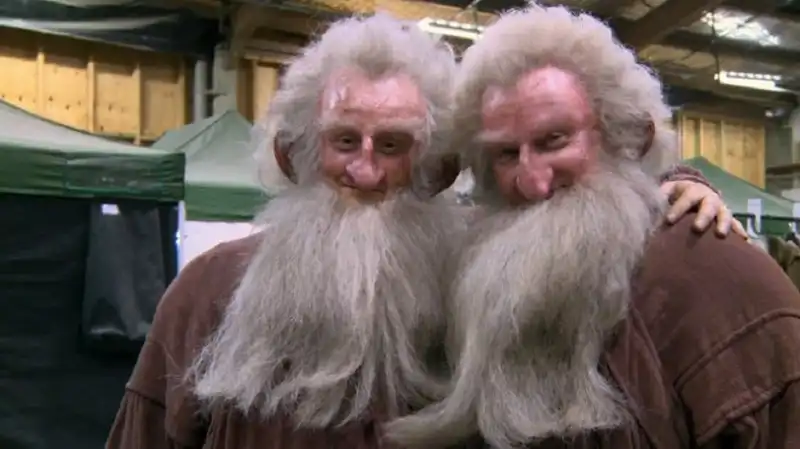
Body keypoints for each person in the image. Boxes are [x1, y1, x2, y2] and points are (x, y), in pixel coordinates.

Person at [107, 13, 742, 449]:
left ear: (435, 170)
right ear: (293, 155)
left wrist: (671, 182)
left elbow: (570, 225)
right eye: (343, 141)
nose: (365, 171)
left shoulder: (472, 281)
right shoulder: (208, 294)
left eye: (393, 145)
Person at [383, 4, 800, 449]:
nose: (532, 181)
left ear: (629, 137)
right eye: (506, 154)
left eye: (554, 140)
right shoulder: (475, 282)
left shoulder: (720, 281)